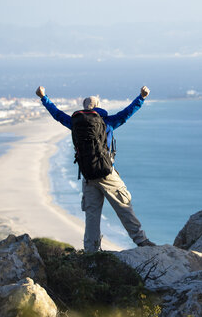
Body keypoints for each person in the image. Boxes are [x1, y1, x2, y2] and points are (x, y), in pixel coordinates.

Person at [35, 85, 156, 251]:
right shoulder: (107, 122)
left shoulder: (75, 123)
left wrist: (44, 97)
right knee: (123, 206)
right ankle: (141, 241)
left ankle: (91, 250)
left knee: (92, 215)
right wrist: (141, 98)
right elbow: (127, 113)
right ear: (98, 106)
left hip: (88, 175)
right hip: (107, 173)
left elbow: (57, 114)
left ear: (84, 108)